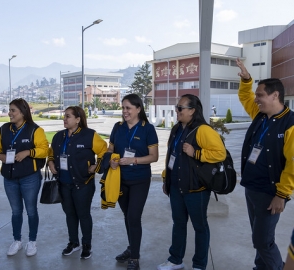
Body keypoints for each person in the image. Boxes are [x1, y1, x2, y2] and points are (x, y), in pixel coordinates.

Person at [236, 58, 294, 270]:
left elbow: (293, 164)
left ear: (275, 95)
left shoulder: (291, 124)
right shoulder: (260, 115)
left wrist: (282, 194)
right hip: (252, 187)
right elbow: (245, 96)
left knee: (262, 240)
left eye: (260, 95)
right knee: (258, 236)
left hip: (271, 193)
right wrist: (246, 80)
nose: (257, 99)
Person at [157, 94, 226, 270]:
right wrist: (167, 178)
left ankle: (199, 265)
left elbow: (220, 154)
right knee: (178, 224)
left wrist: (196, 153)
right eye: (176, 107)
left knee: (200, 226)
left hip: (197, 189)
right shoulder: (177, 129)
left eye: (180, 108)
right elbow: (171, 156)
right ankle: (175, 260)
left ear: (192, 110)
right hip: (176, 187)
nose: (177, 111)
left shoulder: (203, 130)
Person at [0, 98, 48, 257]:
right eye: (9, 110)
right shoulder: (4, 129)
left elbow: (44, 149)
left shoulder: (35, 130)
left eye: (13, 110)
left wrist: (28, 152)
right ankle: (17, 241)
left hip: (30, 177)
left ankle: (32, 241)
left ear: (22, 112)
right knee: (16, 212)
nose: (10, 113)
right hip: (9, 178)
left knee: (31, 211)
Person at [48, 106, 107, 259]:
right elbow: (51, 153)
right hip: (64, 183)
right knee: (69, 214)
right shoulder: (58, 136)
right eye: (64, 116)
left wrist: (96, 167)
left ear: (78, 119)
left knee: (83, 214)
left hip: (83, 184)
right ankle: (73, 242)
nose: (64, 119)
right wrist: (51, 162)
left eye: (68, 116)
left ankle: (87, 244)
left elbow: (104, 151)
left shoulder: (89, 135)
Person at [108, 94, 159, 270]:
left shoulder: (148, 129)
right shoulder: (118, 127)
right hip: (120, 180)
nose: (124, 111)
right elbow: (110, 149)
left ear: (138, 109)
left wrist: (133, 160)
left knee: (133, 216)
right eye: (123, 108)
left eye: (128, 108)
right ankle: (132, 248)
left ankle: (135, 258)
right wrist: (112, 160)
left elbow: (154, 157)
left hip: (139, 180)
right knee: (127, 216)